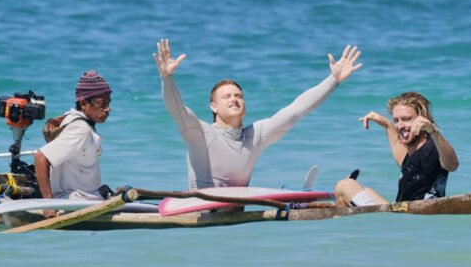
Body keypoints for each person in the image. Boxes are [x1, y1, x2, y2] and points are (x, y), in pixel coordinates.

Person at [153, 38, 362, 188]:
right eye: (226, 97)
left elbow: (296, 111)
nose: (234, 99)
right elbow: (176, 108)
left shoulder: (255, 135)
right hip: (203, 218)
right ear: (213, 107)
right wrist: (167, 78)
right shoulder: (199, 133)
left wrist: (333, 80)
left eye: (238, 96)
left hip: (237, 223)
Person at [335, 91, 459, 207]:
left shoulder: (433, 146)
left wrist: (433, 131)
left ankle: (371, 216)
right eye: (396, 120)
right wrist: (386, 123)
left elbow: (452, 165)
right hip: (401, 210)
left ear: (421, 119)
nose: (400, 125)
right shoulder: (411, 152)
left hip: (417, 213)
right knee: (365, 191)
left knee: (345, 185)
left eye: (406, 119)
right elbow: (399, 151)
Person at [34, 71, 112, 215]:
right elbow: (41, 157)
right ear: (83, 103)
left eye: (108, 103)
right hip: (78, 202)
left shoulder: (71, 118)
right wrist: (48, 203)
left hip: (87, 198)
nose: (108, 109)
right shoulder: (81, 129)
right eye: (102, 104)